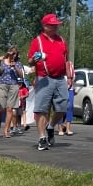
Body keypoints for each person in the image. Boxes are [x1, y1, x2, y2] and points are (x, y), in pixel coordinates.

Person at [28, 13, 74, 151]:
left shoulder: (61, 40)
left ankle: (51, 127)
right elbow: (30, 60)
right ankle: (42, 138)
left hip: (60, 78)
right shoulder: (37, 41)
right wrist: (35, 59)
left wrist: (69, 77)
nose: (55, 28)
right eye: (52, 25)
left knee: (62, 107)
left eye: (56, 25)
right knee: (42, 109)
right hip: (44, 77)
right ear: (45, 26)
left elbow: (66, 60)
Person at [0, 47, 24, 138]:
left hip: (14, 85)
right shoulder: (2, 61)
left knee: (9, 109)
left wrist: (15, 66)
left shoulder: (18, 63)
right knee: (2, 108)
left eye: (15, 53)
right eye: (12, 53)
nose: (13, 55)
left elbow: (21, 75)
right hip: (3, 84)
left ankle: (6, 130)